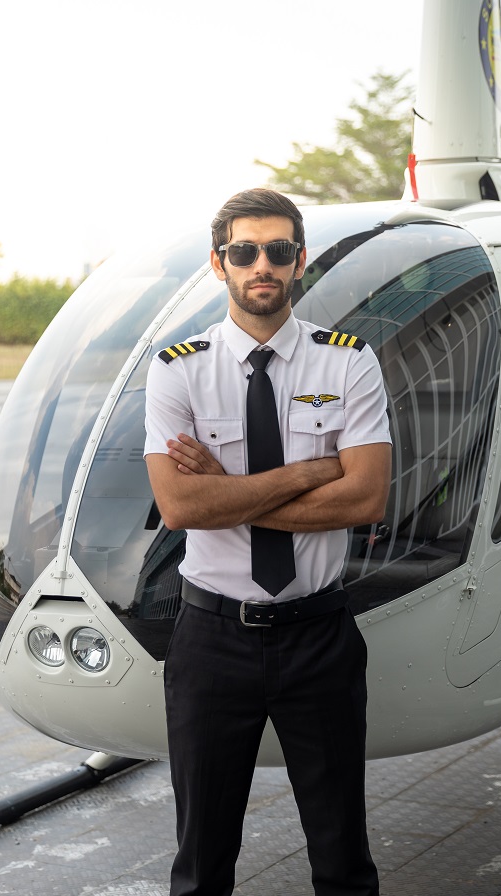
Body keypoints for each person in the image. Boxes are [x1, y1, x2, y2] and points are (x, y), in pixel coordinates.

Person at [144, 187, 392, 896]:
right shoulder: (178, 369)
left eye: (278, 251)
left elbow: (367, 496)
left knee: (343, 856)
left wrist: (232, 491)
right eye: (244, 251)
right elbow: (182, 504)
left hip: (318, 634)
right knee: (201, 863)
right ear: (219, 264)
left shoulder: (346, 363)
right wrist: (311, 473)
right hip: (212, 639)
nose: (263, 265)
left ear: (300, 261)